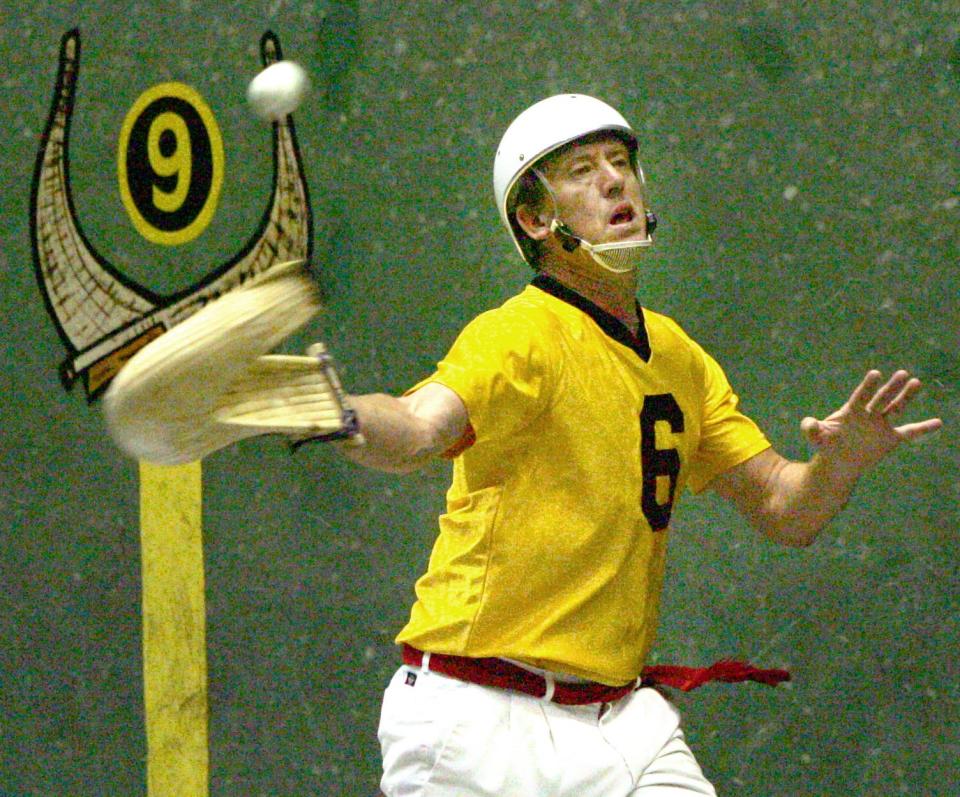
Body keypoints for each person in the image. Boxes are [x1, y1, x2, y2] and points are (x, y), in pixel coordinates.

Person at [336, 95, 943, 796]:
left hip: (619, 721)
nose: (614, 181)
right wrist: (342, 414)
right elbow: (416, 428)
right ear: (536, 219)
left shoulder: (679, 358)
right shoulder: (516, 335)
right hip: (478, 715)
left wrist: (838, 465)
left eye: (621, 164)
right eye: (581, 171)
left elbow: (787, 508)